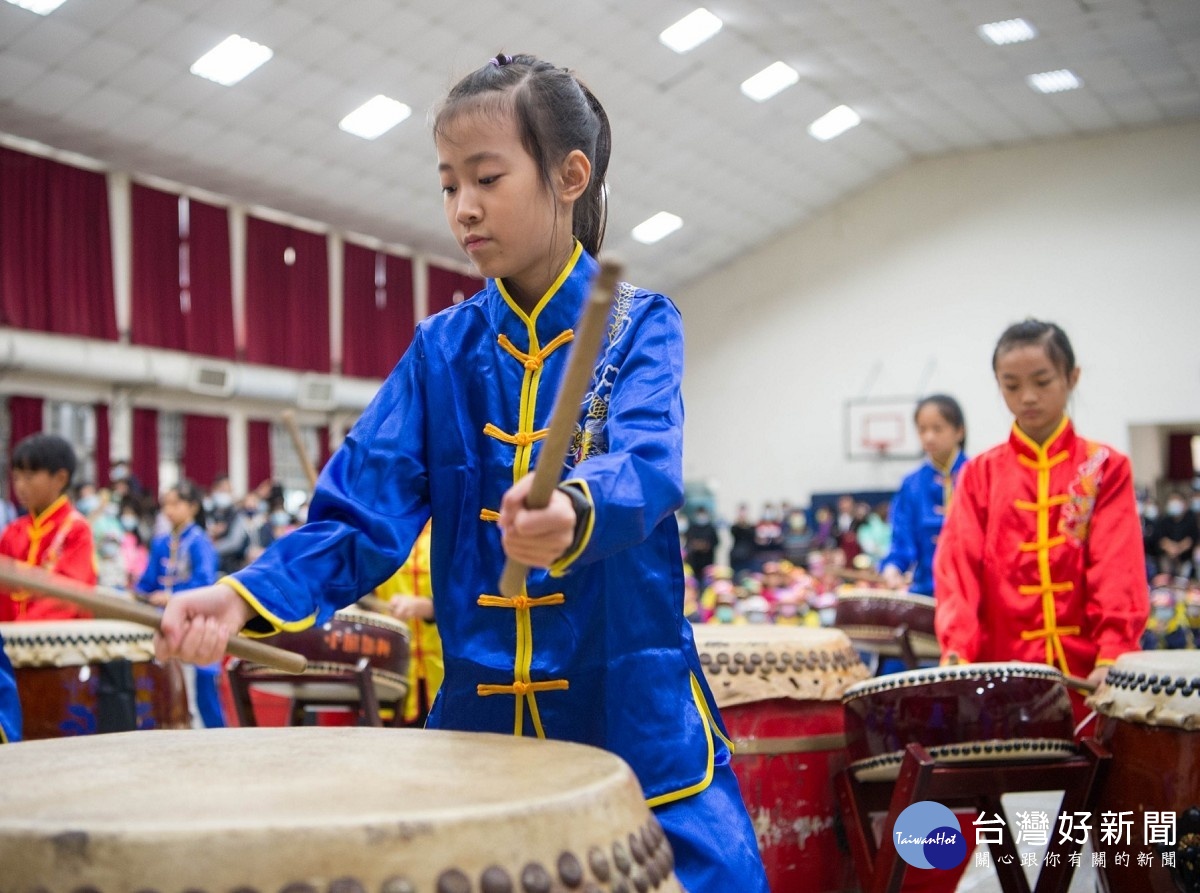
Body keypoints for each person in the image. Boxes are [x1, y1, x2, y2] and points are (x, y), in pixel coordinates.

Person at [155, 53, 767, 892]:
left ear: (569, 176)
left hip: (630, 721)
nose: (463, 208)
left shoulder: (637, 324)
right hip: (481, 730)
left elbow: (646, 461)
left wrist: (577, 511)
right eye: (448, 185)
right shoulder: (441, 351)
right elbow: (358, 515)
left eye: (486, 177)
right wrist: (241, 595)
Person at [935, 320, 1149, 721]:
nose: (1027, 397)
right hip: (1003, 679)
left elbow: (1118, 567)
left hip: (1091, 675)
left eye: (1042, 381)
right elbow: (957, 572)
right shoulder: (980, 474)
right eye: (1011, 386)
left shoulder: (1103, 467)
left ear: (1072, 377)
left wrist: (1114, 650)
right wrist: (956, 652)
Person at [136, 481, 224, 728]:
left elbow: (206, 581)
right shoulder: (161, 543)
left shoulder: (200, 541)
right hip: (163, 624)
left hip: (196, 622)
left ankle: (221, 740)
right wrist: (134, 593)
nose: (169, 510)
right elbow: (148, 581)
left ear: (193, 507)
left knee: (205, 693)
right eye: (166, 504)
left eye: (176, 504)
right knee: (165, 688)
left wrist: (172, 595)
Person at [0, 433, 96, 620]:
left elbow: (67, 598)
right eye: (17, 477)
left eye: (29, 477)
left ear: (60, 478)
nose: (20, 486)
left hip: (57, 642)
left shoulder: (76, 529)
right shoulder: (13, 531)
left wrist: (19, 632)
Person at [880, 395, 969, 595]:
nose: (928, 437)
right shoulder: (911, 485)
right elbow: (901, 541)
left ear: (959, 431)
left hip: (974, 593)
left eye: (937, 429)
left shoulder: (978, 474)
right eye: (922, 430)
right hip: (926, 592)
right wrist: (893, 567)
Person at [373, 519, 444, 727]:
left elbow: (472, 596)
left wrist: (429, 607)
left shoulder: (453, 529)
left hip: (442, 665)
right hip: (391, 664)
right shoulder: (381, 531)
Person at [1152, 491, 1197, 580]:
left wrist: (1178, 549)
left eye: (1177, 500)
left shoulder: (1190, 520)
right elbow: (1160, 538)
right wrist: (1170, 548)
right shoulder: (1163, 521)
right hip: (1167, 558)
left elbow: (1191, 538)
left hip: (1185, 558)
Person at [683, 505, 719, 580]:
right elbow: (688, 542)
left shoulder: (711, 528)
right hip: (694, 561)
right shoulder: (692, 528)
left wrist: (706, 546)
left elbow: (716, 542)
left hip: (707, 560)